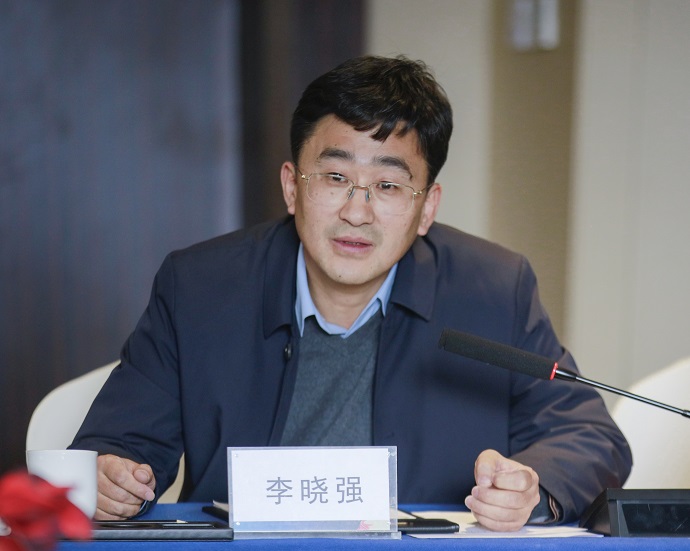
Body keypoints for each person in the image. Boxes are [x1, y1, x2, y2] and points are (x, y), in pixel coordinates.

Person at [71, 55, 631, 531]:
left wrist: (532, 488)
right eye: (335, 178)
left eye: (388, 185)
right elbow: (117, 445)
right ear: (292, 186)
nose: (357, 212)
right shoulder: (200, 287)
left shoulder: (492, 290)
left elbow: (587, 434)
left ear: (427, 208)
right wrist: (112, 480)